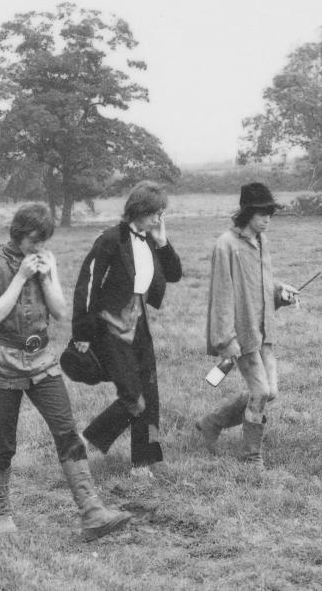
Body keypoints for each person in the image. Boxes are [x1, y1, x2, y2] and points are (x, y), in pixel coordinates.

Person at [0, 202, 131, 540]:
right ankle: (1, 513)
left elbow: (61, 313)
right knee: (3, 441)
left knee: (66, 432)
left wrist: (47, 276)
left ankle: (92, 513)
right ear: (18, 234)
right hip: (3, 363)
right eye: (34, 240)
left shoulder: (47, 259)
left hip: (42, 361)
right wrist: (20, 277)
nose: (39, 247)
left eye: (44, 240)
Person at [72, 181, 183, 478]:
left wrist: (162, 241)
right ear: (138, 209)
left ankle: (142, 463)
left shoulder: (150, 240)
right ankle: (84, 442)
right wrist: (81, 333)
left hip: (139, 323)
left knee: (150, 394)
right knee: (133, 396)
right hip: (110, 327)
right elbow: (87, 286)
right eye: (154, 213)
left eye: (161, 213)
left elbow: (174, 274)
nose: (158, 219)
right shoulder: (110, 239)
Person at [195, 182, 299, 467]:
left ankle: (210, 423)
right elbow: (222, 295)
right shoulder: (225, 245)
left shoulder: (263, 241)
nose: (268, 219)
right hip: (242, 334)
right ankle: (252, 458)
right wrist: (226, 340)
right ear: (248, 212)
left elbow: (260, 285)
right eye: (263, 213)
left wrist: (280, 292)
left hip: (264, 330)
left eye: (271, 213)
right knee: (261, 392)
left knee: (270, 392)